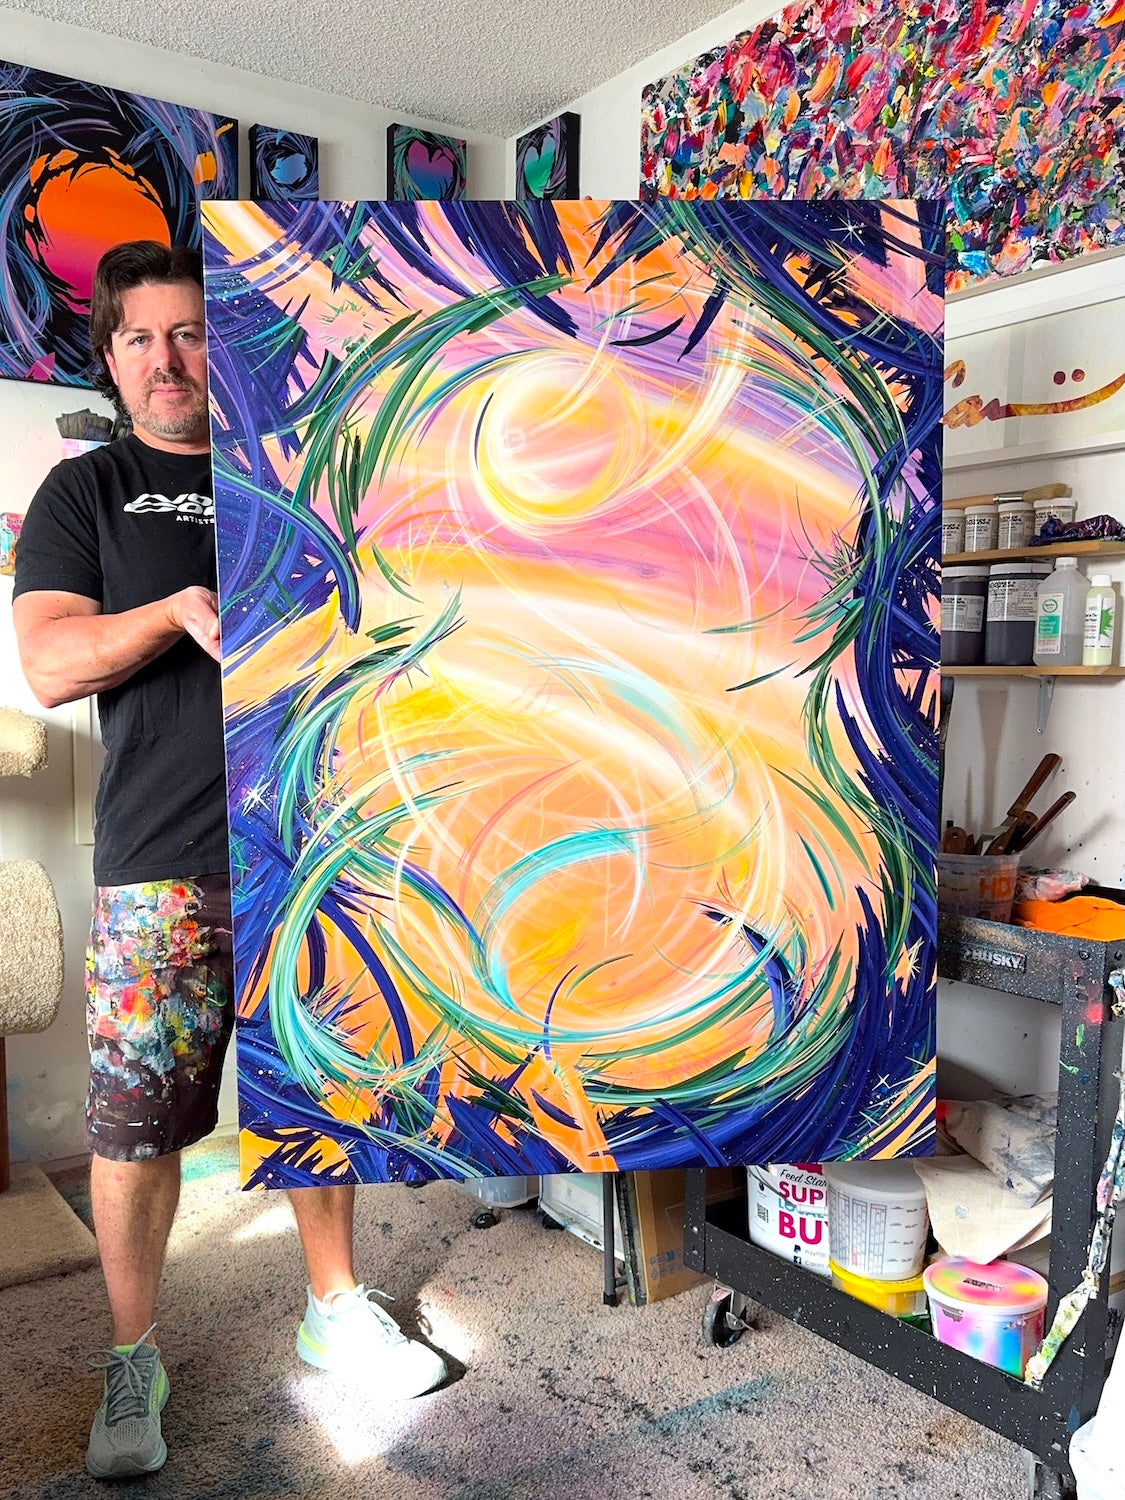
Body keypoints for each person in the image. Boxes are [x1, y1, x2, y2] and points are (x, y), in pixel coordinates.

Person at [11, 240, 447, 1481]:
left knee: (321, 1088)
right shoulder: (86, 492)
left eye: (192, 333)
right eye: (141, 338)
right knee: (135, 1121)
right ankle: (132, 1356)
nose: (169, 359)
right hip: (160, 861)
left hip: (307, 846)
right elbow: (48, 664)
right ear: (111, 359)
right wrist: (173, 612)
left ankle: (333, 1307)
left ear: (227, 346)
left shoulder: (296, 477)